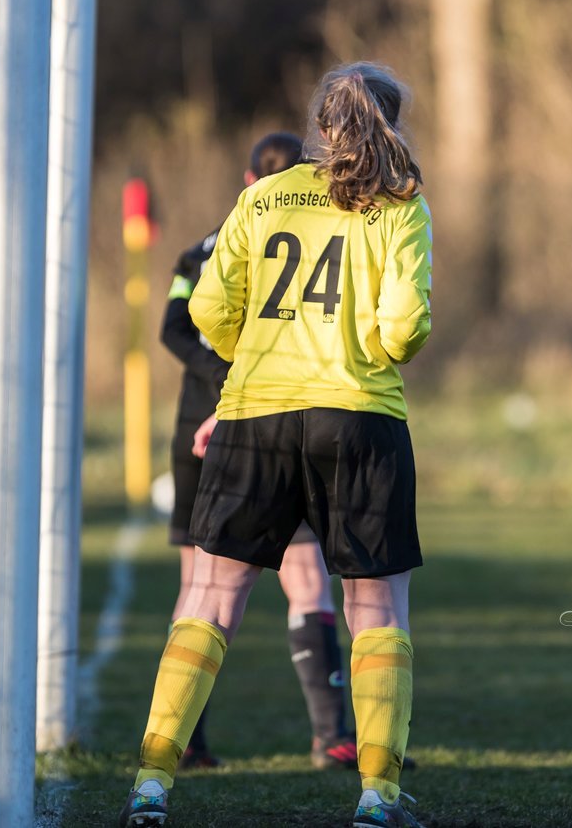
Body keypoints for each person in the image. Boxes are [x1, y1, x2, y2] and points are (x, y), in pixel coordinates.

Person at [121, 62, 431, 828]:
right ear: (390, 124)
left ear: (322, 127)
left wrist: (257, 349)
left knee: (209, 601)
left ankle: (153, 783)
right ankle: (377, 796)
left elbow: (212, 308)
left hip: (254, 415)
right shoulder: (402, 203)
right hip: (359, 418)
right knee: (376, 608)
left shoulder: (261, 195)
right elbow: (404, 328)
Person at [160, 131, 361, 771]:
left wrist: (218, 370)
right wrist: (236, 375)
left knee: (202, 585)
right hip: (269, 419)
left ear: (250, 178)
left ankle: (179, 738)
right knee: (306, 580)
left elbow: (177, 325)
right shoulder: (320, 236)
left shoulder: (202, 251)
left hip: (218, 423)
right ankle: (332, 735)